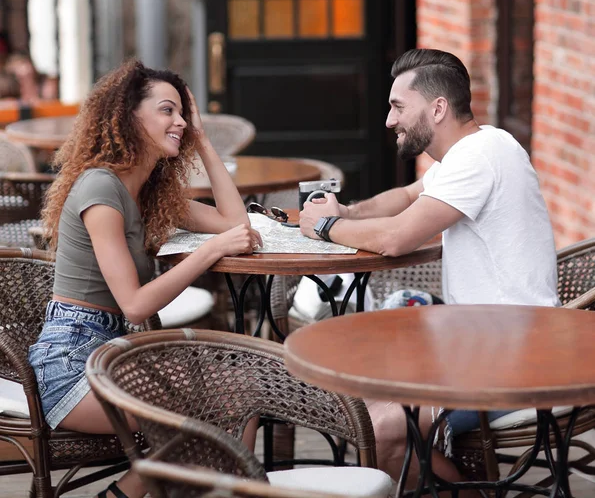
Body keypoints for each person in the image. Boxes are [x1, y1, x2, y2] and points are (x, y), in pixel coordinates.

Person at [299, 48, 559, 487]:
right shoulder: (469, 153)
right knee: (362, 394)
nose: (388, 120)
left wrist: (325, 226)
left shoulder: (480, 155)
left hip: (515, 357)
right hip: (479, 343)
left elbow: (396, 237)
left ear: (437, 108)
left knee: (379, 430)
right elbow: (404, 197)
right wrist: (348, 210)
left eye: (399, 107)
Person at [28, 59, 262, 498]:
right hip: (71, 367)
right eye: (167, 111)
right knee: (219, 409)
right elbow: (135, 304)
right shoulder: (100, 189)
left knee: (240, 392)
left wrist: (204, 141)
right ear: (128, 117)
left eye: (182, 114)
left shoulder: (150, 193)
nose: (179, 122)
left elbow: (235, 219)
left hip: (111, 351)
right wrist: (213, 249)